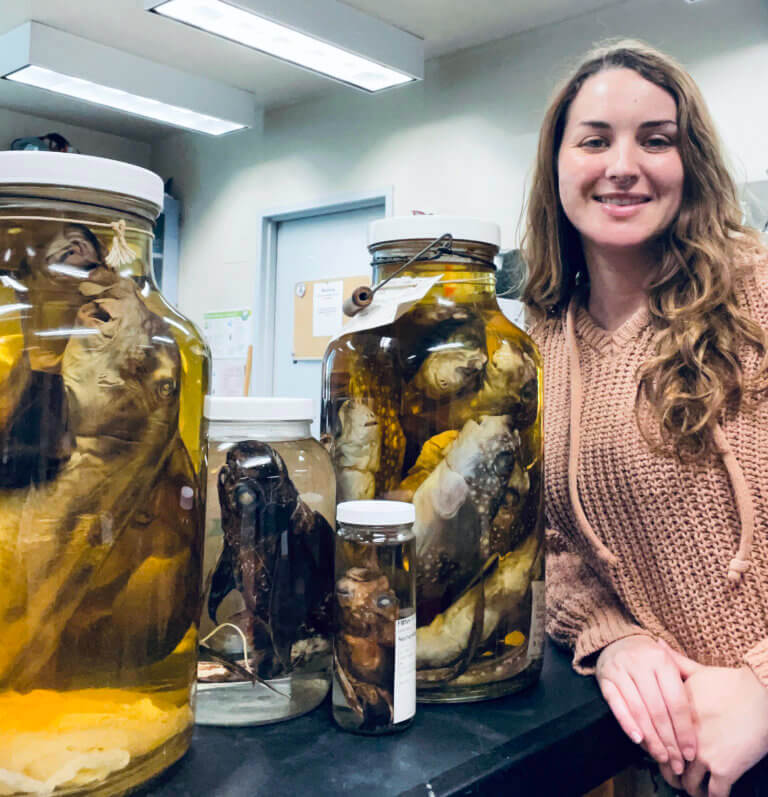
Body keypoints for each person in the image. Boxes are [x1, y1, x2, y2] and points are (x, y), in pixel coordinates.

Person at [522, 39, 768, 797]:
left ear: (687, 161)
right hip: (682, 752)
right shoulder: (538, 342)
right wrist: (614, 638)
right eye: (594, 139)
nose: (623, 165)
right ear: (558, 165)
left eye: (655, 140)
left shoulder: (755, 292)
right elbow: (553, 545)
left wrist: (763, 687)